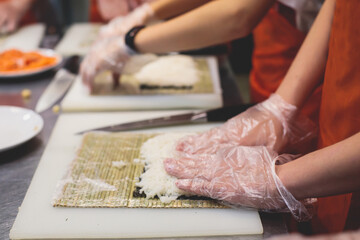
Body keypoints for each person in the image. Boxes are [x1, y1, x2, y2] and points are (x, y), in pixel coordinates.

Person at [164, 0, 360, 234]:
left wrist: (278, 178)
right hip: (340, 101)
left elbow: (239, 13)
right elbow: (341, 8)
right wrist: (280, 107)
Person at [80, 0, 322, 124]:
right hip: (284, 44)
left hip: (315, 62)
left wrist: (131, 42)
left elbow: (238, 13)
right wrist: (148, 13)